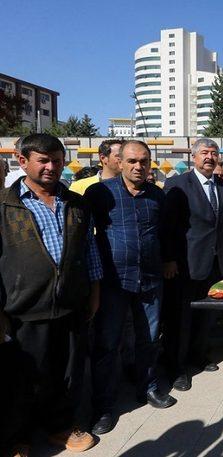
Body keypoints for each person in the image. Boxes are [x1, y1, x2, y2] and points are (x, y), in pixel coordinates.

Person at [0, 133, 101, 454]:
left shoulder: (76, 203)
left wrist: (94, 291)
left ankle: (60, 427)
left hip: (71, 305)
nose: (51, 167)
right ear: (22, 161)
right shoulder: (5, 205)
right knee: (22, 379)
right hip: (22, 309)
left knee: (67, 374)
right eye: (43, 160)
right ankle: (19, 437)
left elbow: (90, 250)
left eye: (56, 161)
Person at [86, 140, 175, 436]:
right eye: (133, 161)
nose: (139, 167)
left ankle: (147, 388)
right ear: (119, 163)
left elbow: (165, 233)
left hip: (150, 280)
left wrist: (168, 260)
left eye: (145, 161)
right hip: (113, 282)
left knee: (149, 339)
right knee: (108, 344)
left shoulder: (157, 196)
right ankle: (104, 406)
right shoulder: (99, 194)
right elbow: (86, 238)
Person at [163, 139, 223, 391]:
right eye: (204, 153)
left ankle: (198, 356)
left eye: (214, 153)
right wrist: (170, 259)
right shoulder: (178, 185)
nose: (209, 157)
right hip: (186, 263)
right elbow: (169, 226)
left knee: (207, 317)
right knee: (180, 318)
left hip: (216, 264)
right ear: (193, 157)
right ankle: (177, 367)